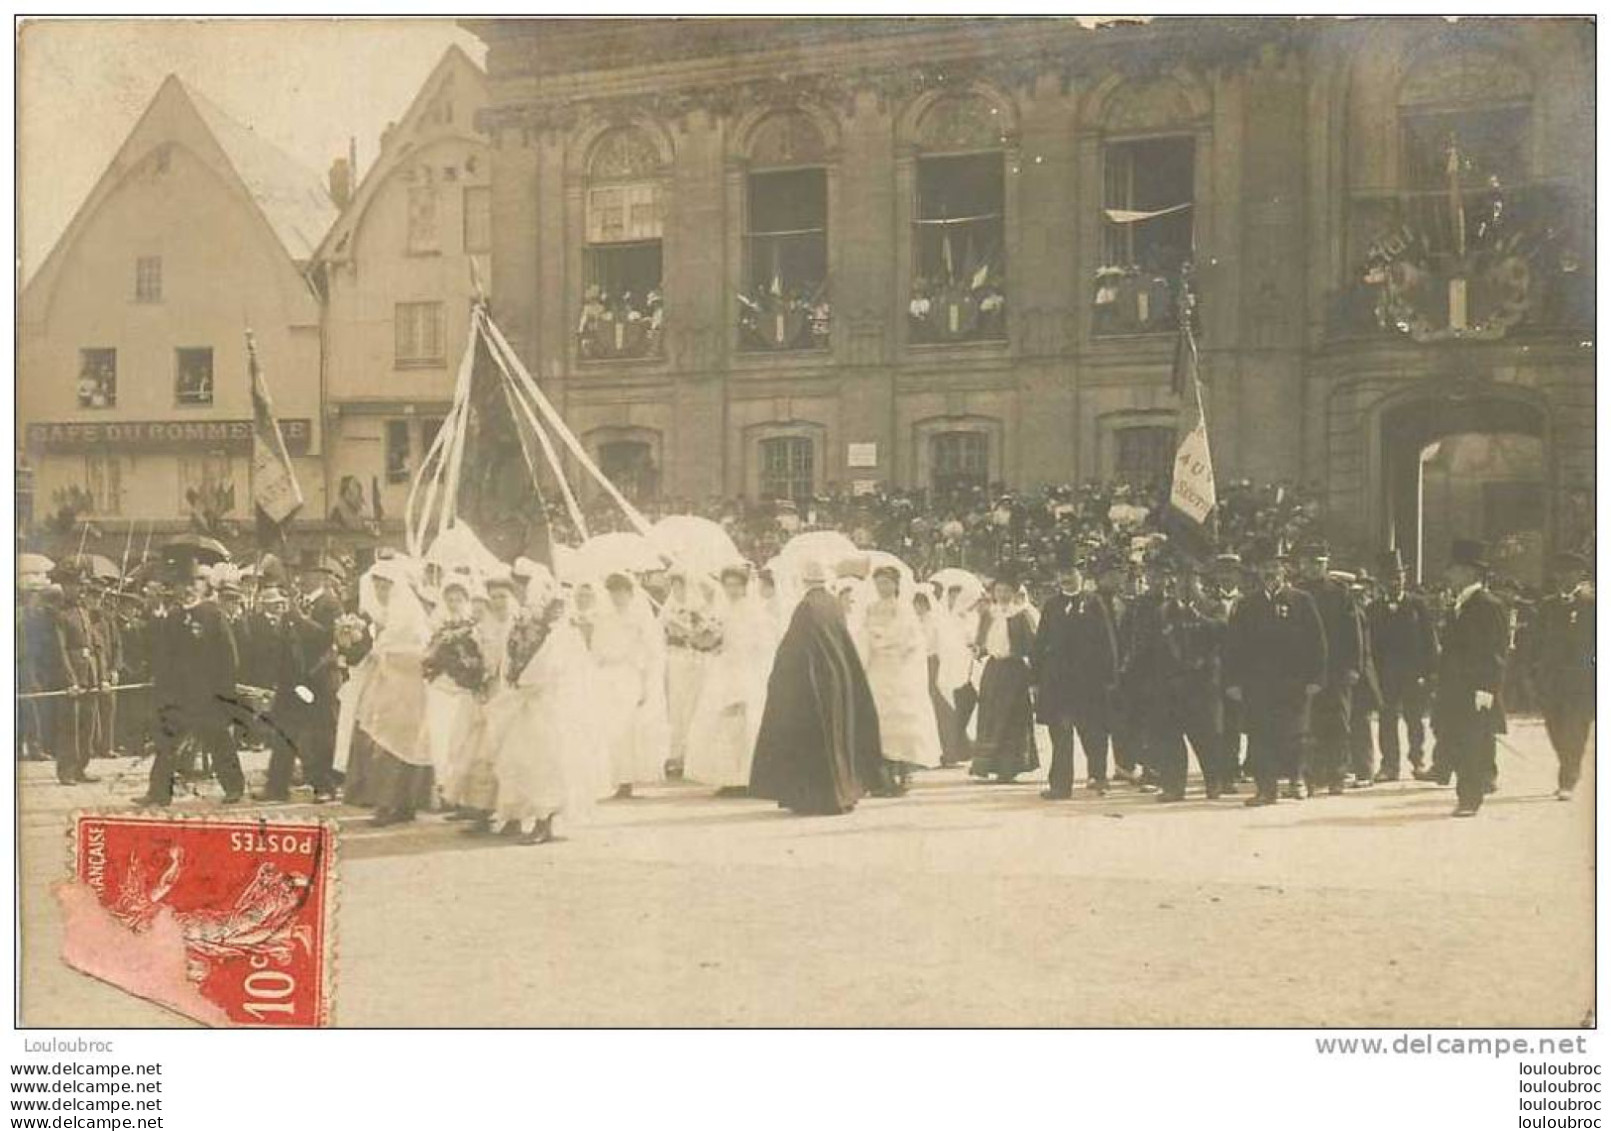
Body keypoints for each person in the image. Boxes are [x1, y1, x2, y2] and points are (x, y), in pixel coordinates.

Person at [749, 557, 886, 815]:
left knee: (816, 741)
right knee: (837, 738)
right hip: (837, 679)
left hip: (814, 683)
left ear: (804, 581)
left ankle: (816, 797)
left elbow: (795, 648)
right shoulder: (833, 604)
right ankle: (844, 792)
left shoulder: (807, 607)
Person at [490, 568, 604, 844]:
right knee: (516, 758)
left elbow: (558, 669)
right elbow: (511, 657)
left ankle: (545, 821)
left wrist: (527, 680)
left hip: (550, 705)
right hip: (525, 703)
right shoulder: (524, 627)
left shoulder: (564, 634)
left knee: (546, 762)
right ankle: (514, 815)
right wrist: (513, 678)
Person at [1225, 543, 1326, 806]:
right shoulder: (1247, 605)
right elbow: (1234, 645)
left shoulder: (1302, 601)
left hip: (1294, 682)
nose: (1270, 572)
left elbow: (1318, 642)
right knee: (1260, 735)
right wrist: (1233, 681)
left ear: (1284, 570)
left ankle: (1298, 780)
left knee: (1295, 734)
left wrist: (1316, 678)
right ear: (1258, 572)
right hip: (1258, 684)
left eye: (1275, 567)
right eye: (1265, 567)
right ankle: (1265, 789)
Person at [137, 558, 243, 805]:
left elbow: (229, 657)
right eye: (181, 584)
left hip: (209, 695)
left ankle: (234, 787)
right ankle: (159, 793)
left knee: (219, 741)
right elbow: (162, 657)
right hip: (179, 697)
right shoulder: (171, 617)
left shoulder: (213, 614)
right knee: (166, 743)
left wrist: (224, 693)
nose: (186, 589)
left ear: (201, 587)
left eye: (192, 583)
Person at [343, 559, 434, 825]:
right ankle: (392, 803)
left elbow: (418, 654)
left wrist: (382, 654)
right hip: (388, 688)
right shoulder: (387, 618)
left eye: (386, 588)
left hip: (406, 690)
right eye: (378, 588)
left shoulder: (409, 618)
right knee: (385, 744)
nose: (382, 593)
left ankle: (397, 805)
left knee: (395, 745)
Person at [1433, 539, 1510, 818]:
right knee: (1457, 737)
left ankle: (1470, 798)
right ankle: (1465, 792)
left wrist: (1487, 688)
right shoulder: (1459, 604)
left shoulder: (1489, 605)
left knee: (1473, 742)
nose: (1448, 575)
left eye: (1453, 570)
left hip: (1475, 688)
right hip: (1454, 688)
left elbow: (1496, 651)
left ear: (1469, 573)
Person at [1140, 561, 1229, 801]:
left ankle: (1214, 782)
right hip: (1170, 685)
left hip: (1203, 685)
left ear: (1200, 584)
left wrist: (1199, 618)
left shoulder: (1214, 607)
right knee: (1170, 739)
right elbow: (1150, 647)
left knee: (1207, 737)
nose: (1185, 586)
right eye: (1180, 581)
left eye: (1191, 581)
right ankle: (1173, 786)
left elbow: (1224, 633)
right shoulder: (1163, 611)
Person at [1033, 555, 1119, 799]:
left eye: (1070, 572)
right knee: (1060, 734)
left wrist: (1110, 677)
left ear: (1081, 575)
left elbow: (1108, 641)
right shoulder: (1051, 606)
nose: (1066, 578)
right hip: (1058, 682)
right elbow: (1041, 642)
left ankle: (1098, 776)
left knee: (1094, 731)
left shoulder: (1095, 603)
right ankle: (1060, 785)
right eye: (1061, 573)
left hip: (1089, 682)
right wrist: (1036, 678)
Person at [683, 565, 774, 794]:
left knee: (743, 722)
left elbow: (764, 645)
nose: (732, 590)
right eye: (728, 585)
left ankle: (745, 777)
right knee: (721, 722)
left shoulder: (755, 611)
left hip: (747, 671)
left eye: (737, 585)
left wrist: (744, 657)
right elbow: (714, 641)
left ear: (745, 586)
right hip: (724, 669)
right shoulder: (721, 611)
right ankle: (727, 777)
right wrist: (709, 639)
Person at [858, 564, 943, 786]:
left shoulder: (904, 610)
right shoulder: (871, 608)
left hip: (899, 669)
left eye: (886, 583)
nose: (882, 587)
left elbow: (910, 640)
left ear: (896, 585)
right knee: (879, 719)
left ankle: (903, 770)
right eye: (878, 583)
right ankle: (882, 773)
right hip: (877, 668)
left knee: (901, 719)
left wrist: (884, 640)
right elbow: (864, 634)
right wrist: (871, 642)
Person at [590, 573, 669, 799]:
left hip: (629, 674)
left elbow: (651, 651)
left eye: (622, 592)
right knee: (607, 726)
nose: (617, 597)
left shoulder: (640, 619)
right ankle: (610, 778)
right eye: (613, 592)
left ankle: (626, 781)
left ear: (630, 593)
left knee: (626, 727)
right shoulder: (603, 618)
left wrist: (646, 682)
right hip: (606, 675)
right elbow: (596, 647)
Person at [1295, 542, 1363, 796]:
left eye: (1318, 563)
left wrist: (1353, 666)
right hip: (1306, 670)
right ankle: (1312, 776)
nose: (1312, 568)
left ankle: (1337, 774)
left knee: (1337, 723)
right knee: (1308, 724)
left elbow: (1353, 632)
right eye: (1308, 563)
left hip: (1336, 669)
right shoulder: (1296, 593)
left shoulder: (1339, 593)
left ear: (1326, 564)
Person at [1368, 549, 1438, 782]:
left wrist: (1429, 673)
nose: (1394, 582)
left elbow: (1430, 641)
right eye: (1389, 578)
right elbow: (1370, 647)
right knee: (1386, 720)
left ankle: (1417, 761)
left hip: (1413, 675)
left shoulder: (1418, 605)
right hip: (1385, 675)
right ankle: (1389, 765)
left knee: (1414, 719)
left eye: (1398, 577)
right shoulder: (1373, 609)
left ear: (1404, 578)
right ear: (1380, 581)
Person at [1530, 551, 1594, 801]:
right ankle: (1569, 766)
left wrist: (1591, 668)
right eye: (1560, 572)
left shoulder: (1593, 604)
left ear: (1580, 574)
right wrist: (1535, 669)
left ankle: (1568, 777)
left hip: (1581, 682)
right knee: (1555, 729)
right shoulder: (1548, 606)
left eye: (1569, 572)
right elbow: (1537, 641)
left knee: (1575, 731)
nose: (1563, 577)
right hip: (1552, 681)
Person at [970, 572, 1039, 783]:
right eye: (998, 591)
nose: (1002, 595)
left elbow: (1032, 646)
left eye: (1007, 591)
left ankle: (1009, 767)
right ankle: (987, 764)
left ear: (1014, 592)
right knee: (990, 715)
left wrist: (1034, 676)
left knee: (1012, 718)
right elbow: (981, 643)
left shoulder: (1021, 615)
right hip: (993, 669)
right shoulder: (988, 614)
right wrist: (977, 649)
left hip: (1014, 670)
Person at [47, 563, 99, 785]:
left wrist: (100, 675)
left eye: (82, 585)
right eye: (77, 585)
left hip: (90, 672)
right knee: (70, 724)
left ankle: (80, 767)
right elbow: (59, 650)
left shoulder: (84, 610)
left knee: (88, 722)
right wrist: (70, 679)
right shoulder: (60, 613)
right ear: (66, 586)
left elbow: (95, 644)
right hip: (73, 675)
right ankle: (66, 770)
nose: (81, 589)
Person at [915, 589, 973, 766]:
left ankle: (951, 751)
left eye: (921, 604)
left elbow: (941, 646)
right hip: (918, 666)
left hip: (933, 665)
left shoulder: (935, 622)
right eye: (915, 604)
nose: (918, 608)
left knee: (940, 708)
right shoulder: (915, 622)